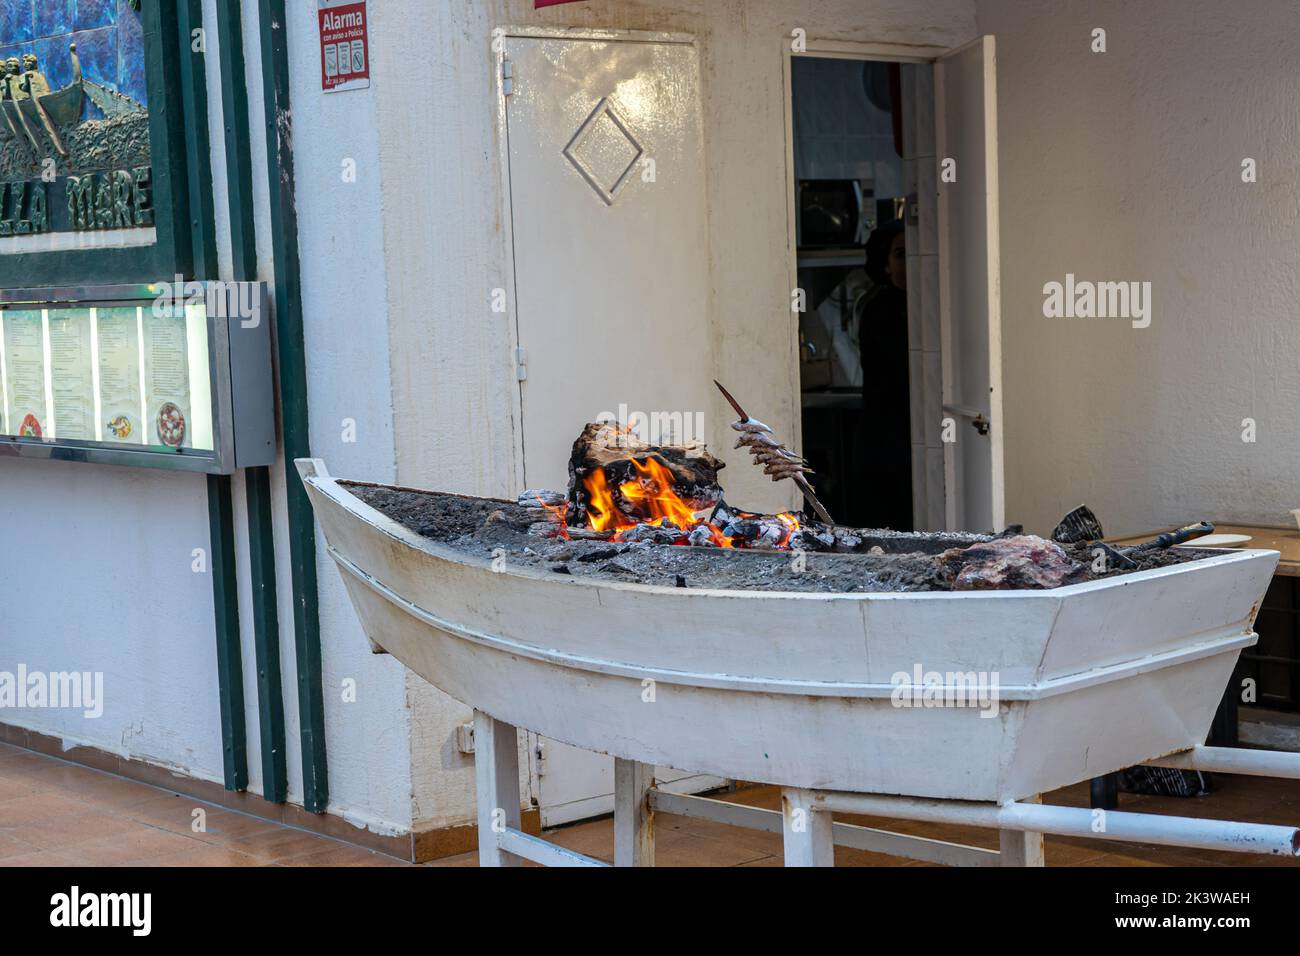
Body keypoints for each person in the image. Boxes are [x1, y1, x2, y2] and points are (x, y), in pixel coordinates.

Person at [856, 220, 913, 530]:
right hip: (886, 430)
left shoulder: (927, 304)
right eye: (901, 254)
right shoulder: (880, 310)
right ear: (886, 264)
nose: (909, 262)